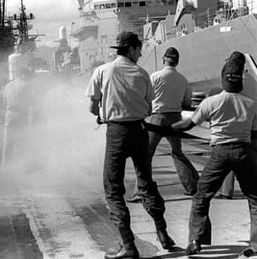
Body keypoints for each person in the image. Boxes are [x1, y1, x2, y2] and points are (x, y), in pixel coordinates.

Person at [85, 31, 175, 259]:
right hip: (139, 131)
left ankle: (128, 245)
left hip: (116, 133)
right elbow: (148, 108)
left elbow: (92, 107)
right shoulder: (143, 73)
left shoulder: (103, 71)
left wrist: (101, 113)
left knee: (113, 189)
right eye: (140, 48)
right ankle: (163, 233)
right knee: (146, 183)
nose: (141, 52)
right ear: (132, 49)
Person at [170, 51, 257, 258]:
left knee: (202, 195)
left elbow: (188, 124)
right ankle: (256, 243)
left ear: (223, 78)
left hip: (219, 152)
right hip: (244, 151)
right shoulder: (252, 104)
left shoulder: (211, 102)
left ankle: (195, 241)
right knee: (255, 199)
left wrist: (167, 127)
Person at [128, 47, 199, 203]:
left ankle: (141, 191)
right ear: (177, 61)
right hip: (175, 118)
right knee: (177, 152)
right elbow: (187, 102)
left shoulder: (155, 76)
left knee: (146, 155)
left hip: (157, 118)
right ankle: (192, 186)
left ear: (163, 60)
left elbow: (146, 96)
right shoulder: (183, 79)